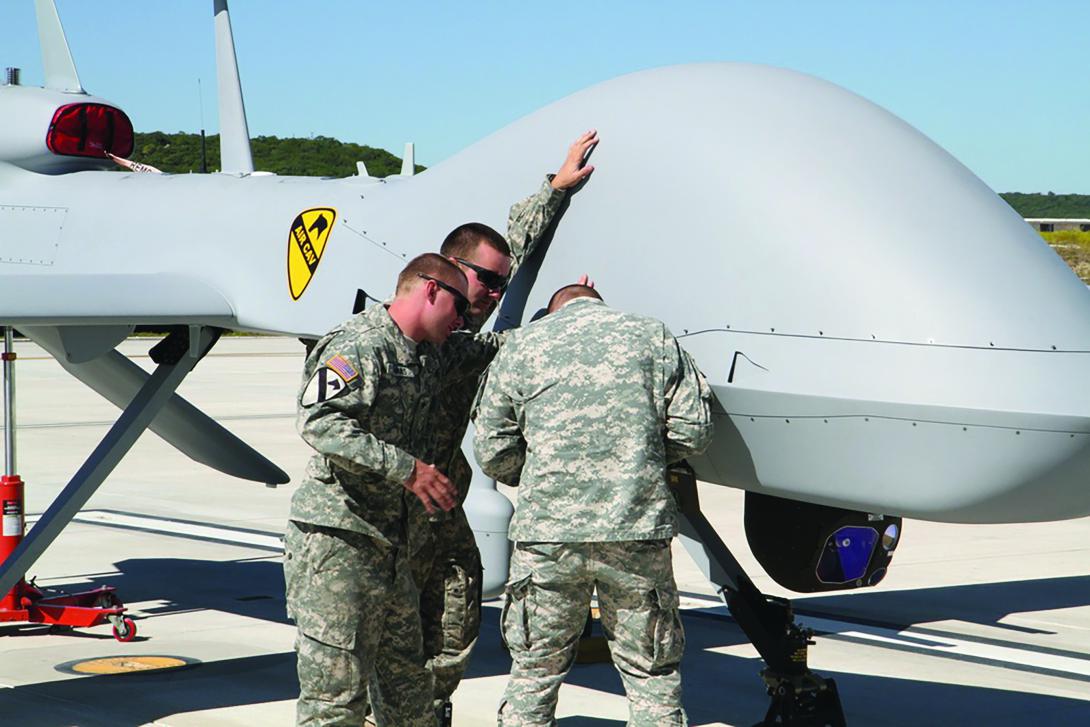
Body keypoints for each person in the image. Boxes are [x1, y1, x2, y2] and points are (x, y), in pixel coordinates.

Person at [409, 130, 599, 723]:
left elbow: (508, 247)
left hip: (440, 507)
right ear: (445, 275)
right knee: (383, 636)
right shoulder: (398, 335)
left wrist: (555, 190)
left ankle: (430, 712)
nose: (494, 294)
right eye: (484, 283)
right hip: (387, 512)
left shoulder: (466, 338)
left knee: (458, 615)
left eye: (498, 284)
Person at [472, 284, 715, 727]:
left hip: (547, 536)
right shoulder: (652, 336)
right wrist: (637, 464)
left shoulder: (523, 344)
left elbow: (491, 448)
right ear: (599, 301)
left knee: (534, 671)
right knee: (651, 674)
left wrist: (543, 479)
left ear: (554, 307)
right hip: (635, 530)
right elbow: (694, 430)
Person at [284, 253, 469, 726]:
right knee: (335, 702)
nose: (463, 319)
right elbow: (319, 422)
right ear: (430, 290)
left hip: (391, 551)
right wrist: (408, 470)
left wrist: (549, 199)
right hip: (340, 546)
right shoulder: (360, 345)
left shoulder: (425, 354)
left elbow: (493, 335)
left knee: (410, 696)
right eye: (458, 305)